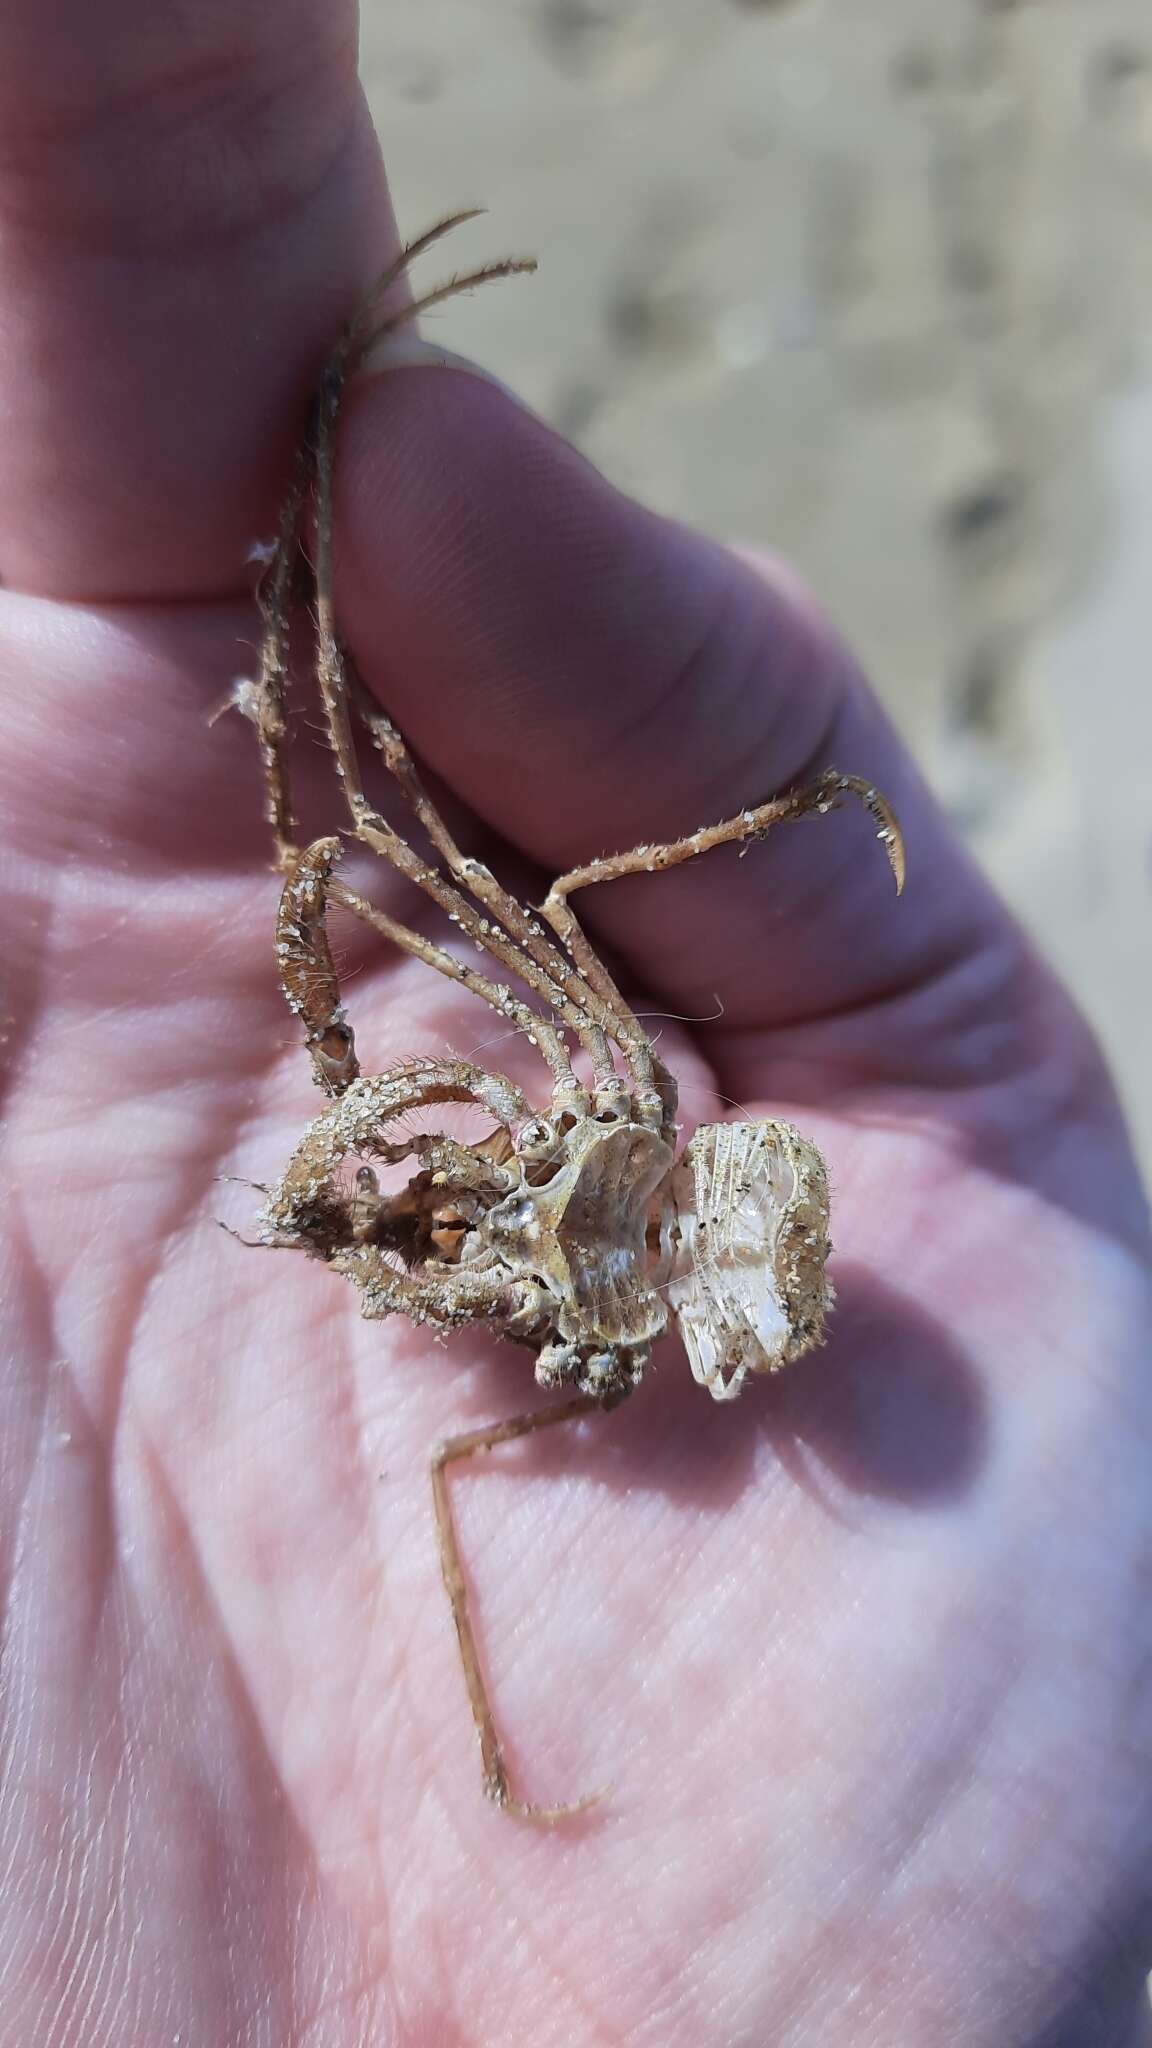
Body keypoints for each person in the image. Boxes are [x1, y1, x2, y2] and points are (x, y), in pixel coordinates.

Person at [0, 5, 1149, 2042]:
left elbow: (481, 916)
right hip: (658, 1243)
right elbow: (505, 921)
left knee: (445, 863)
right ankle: (343, 483)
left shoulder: (583, 1233)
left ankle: (347, 487)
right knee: (468, 877)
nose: (385, 1179)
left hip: (681, 1237)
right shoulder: (558, 1239)